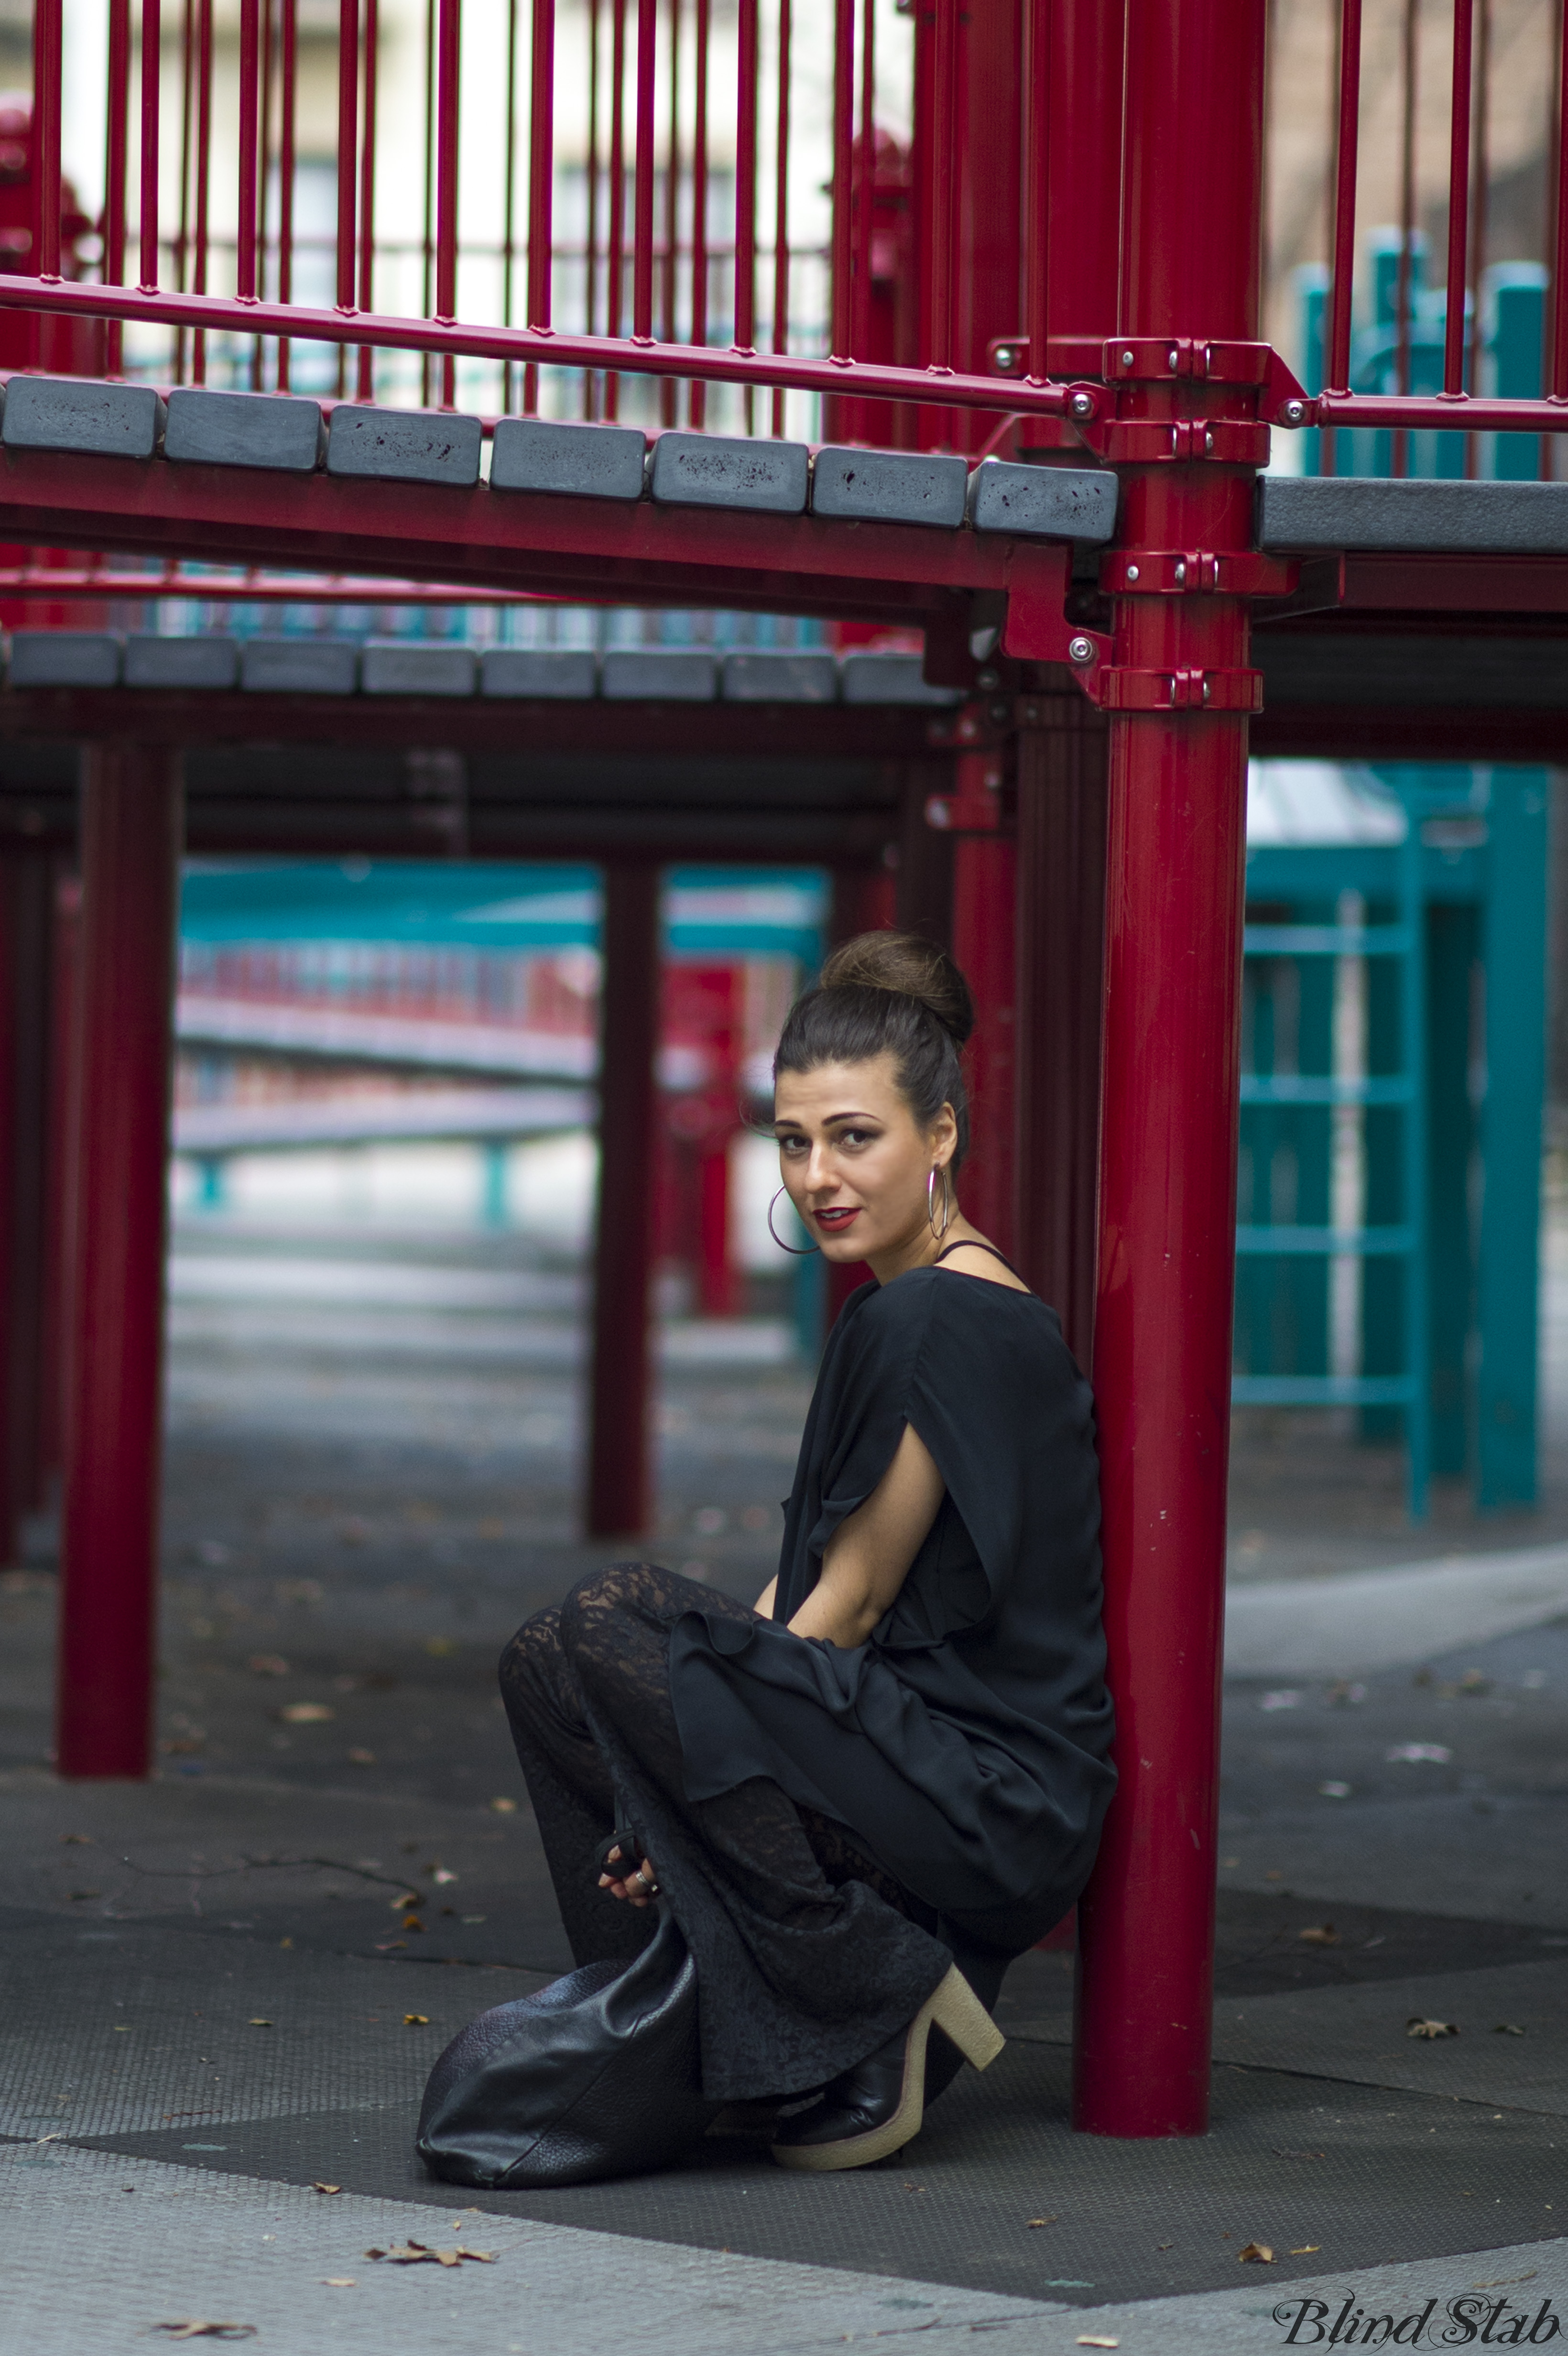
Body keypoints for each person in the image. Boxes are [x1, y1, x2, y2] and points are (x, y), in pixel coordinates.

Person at [499, 930, 1115, 2173]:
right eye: (793, 1141)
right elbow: (808, 1592)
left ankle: (873, 2003)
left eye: (855, 1136)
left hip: (991, 1794)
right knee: (550, 1662)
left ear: (940, 1136)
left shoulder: (942, 1312)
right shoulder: (904, 1300)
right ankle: (699, 2028)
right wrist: (655, 1770)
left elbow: (854, 1595)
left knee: (608, 1624)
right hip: (912, 1752)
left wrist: (666, 1775)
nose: (818, 1175)